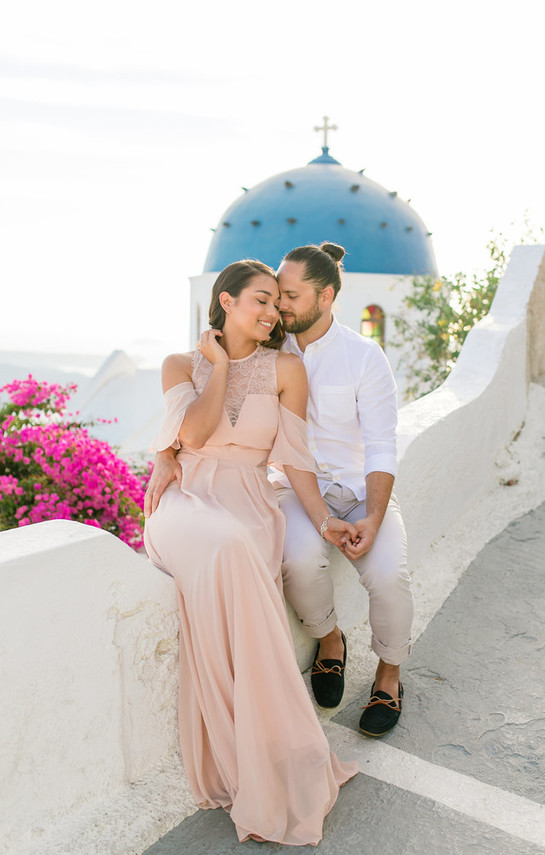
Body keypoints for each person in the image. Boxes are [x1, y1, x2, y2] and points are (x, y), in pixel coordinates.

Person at [143, 259, 358, 847]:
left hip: (250, 504)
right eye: (260, 300)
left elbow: (295, 459)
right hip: (186, 501)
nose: (272, 312)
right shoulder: (179, 364)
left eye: (276, 303)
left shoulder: (287, 368)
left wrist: (323, 520)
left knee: (237, 543)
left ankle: (272, 751)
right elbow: (190, 436)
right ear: (226, 301)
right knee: (226, 544)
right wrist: (217, 367)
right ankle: (248, 751)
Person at [274, 243, 413, 737]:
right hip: (295, 488)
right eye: (277, 293)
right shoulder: (269, 351)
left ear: (326, 296)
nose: (280, 304)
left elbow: (380, 445)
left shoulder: (364, 356)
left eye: (291, 295)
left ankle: (390, 674)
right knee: (295, 561)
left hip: (359, 490)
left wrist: (373, 517)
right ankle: (330, 640)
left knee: (390, 575)